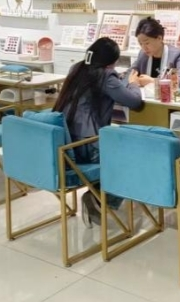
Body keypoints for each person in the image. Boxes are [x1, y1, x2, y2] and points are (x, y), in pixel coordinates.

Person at [53, 37, 143, 227]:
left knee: (117, 149)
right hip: (87, 145)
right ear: (110, 62)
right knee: (132, 158)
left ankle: (97, 193)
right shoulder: (105, 76)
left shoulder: (77, 68)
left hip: (66, 143)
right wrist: (133, 83)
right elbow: (134, 102)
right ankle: (99, 198)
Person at [130, 17, 180, 88]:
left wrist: (154, 81)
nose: (144, 48)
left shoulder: (176, 55)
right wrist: (132, 78)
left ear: (159, 38)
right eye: (140, 44)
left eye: (147, 43)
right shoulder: (143, 54)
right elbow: (130, 72)